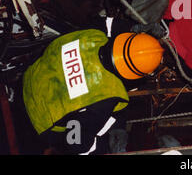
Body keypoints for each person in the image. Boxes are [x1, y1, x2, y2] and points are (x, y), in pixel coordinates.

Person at [22, 26, 164, 154]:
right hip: (41, 119)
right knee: (111, 123)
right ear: (136, 75)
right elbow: (75, 140)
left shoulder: (93, 35)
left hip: (31, 76)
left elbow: (108, 24)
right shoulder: (108, 95)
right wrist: (98, 150)